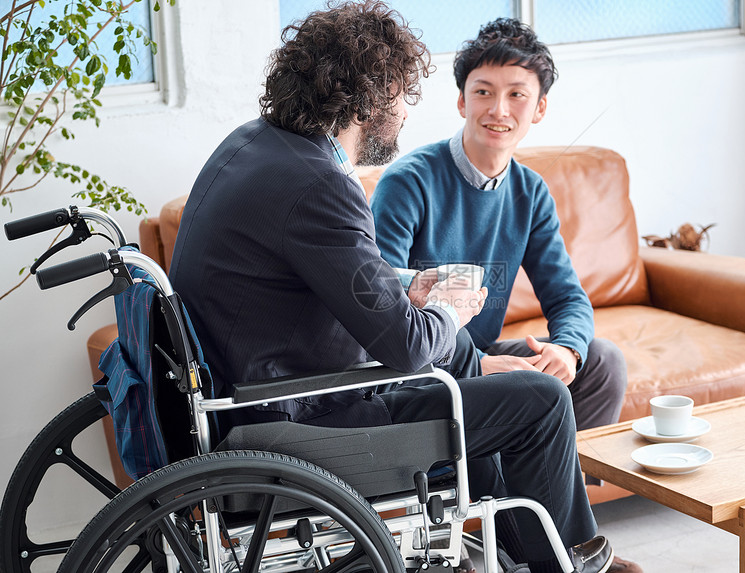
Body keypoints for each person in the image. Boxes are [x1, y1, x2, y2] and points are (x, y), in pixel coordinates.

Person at [170, 3, 636, 572]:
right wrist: (449, 304)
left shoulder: (258, 146)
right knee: (538, 400)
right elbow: (409, 347)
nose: (403, 113)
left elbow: (338, 275)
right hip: (299, 422)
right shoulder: (320, 183)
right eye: (400, 96)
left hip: (264, 396)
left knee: (489, 376)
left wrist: (411, 286)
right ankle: (561, 560)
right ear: (367, 96)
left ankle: (528, 552)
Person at [370, 18, 639, 572]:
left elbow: (568, 296)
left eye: (518, 95)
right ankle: (562, 550)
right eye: (484, 93)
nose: (499, 110)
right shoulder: (410, 181)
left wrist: (566, 350)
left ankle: (530, 528)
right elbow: (378, 303)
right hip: (427, 368)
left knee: (602, 363)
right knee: (531, 395)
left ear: (538, 108)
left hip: (483, 361)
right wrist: (476, 362)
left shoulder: (530, 191)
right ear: (462, 101)